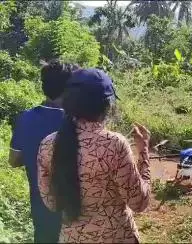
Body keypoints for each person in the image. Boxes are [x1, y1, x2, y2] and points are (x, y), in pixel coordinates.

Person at [37, 68, 151, 243]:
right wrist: (143, 152)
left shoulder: (48, 145)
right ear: (107, 105)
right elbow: (139, 203)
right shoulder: (114, 144)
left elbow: (52, 203)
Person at [9, 60, 78, 243]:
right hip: (75, 213)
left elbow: (14, 160)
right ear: (69, 89)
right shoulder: (77, 122)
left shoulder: (25, 119)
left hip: (41, 210)